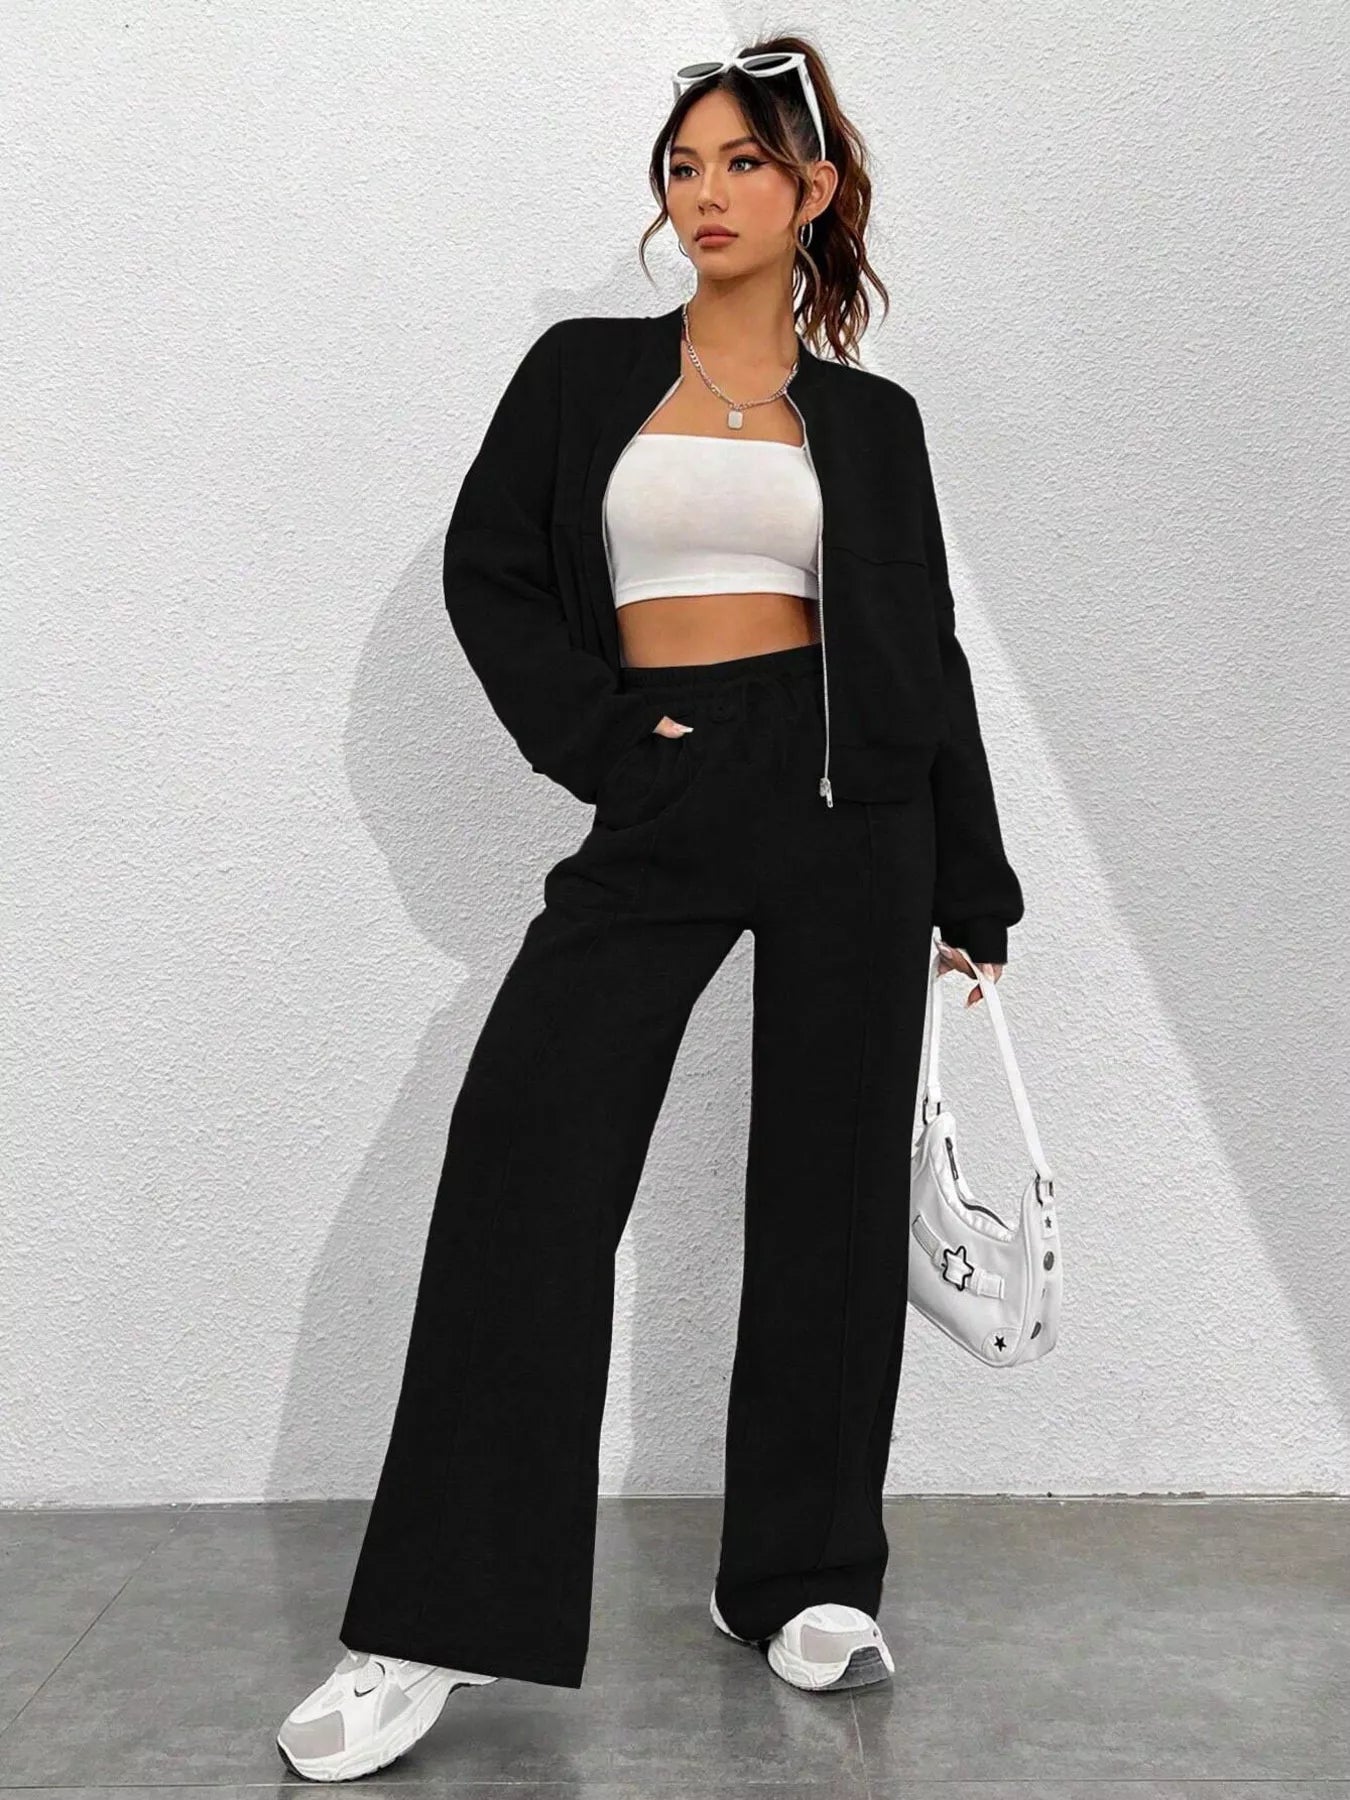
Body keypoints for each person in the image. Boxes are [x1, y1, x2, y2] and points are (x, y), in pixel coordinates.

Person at [277, 34, 1023, 1781]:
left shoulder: (874, 423)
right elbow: (491, 574)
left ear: (809, 189)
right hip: (672, 780)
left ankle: (802, 1579)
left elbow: (922, 651)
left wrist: (970, 880)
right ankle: (430, 1626)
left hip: (851, 805)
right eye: (682, 167)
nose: (704, 195)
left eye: (741, 163)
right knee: (525, 1166)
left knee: (832, 1193)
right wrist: (617, 745)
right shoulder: (582, 375)